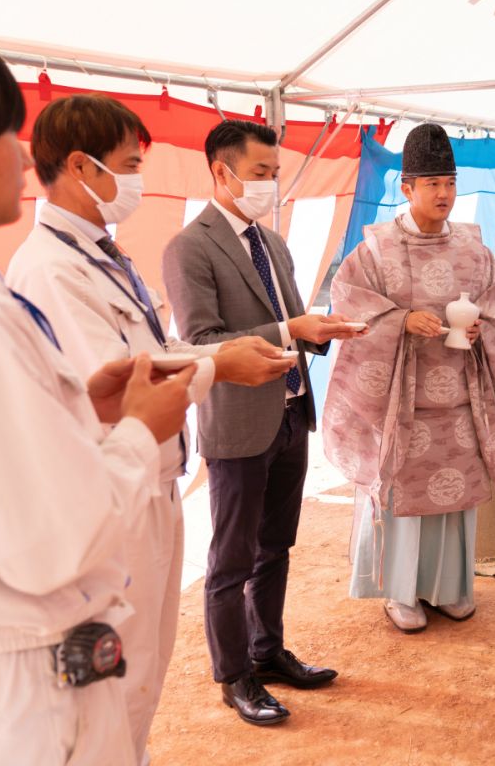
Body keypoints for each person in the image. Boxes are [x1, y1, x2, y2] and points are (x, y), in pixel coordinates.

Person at [0, 18, 194, 765]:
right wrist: (134, 434)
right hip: (18, 694)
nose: (25, 158)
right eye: (6, 135)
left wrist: (79, 406)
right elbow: (50, 541)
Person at [6, 94, 295, 760]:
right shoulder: (51, 269)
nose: (137, 180)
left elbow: (147, 353)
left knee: (145, 670)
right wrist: (218, 362)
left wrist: (217, 360)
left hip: (154, 481)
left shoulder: (100, 254)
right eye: (130, 165)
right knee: (115, 684)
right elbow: (115, 386)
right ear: (82, 168)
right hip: (113, 493)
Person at [162, 120, 360, 725]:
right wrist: (288, 331)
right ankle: (234, 675)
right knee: (231, 559)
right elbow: (201, 341)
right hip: (239, 422)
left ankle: (267, 651)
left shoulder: (273, 244)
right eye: (260, 174)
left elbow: (295, 323)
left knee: (276, 547)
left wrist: (319, 330)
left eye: (275, 174)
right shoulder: (188, 247)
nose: (271, 185)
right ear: (221, 172)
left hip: (290, 412)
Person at [322, 123, 495, 633]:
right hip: (399, 402)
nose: (444, 194)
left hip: (458, 396)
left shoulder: (474, 250)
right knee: (403, 495)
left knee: (454, 494)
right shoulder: (376, 250)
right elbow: (346, 304)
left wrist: (481, 328)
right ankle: (400, 592)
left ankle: (449, 587)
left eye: (450, 183)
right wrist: (399, 320)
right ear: (407, 188)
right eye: (432, 184)